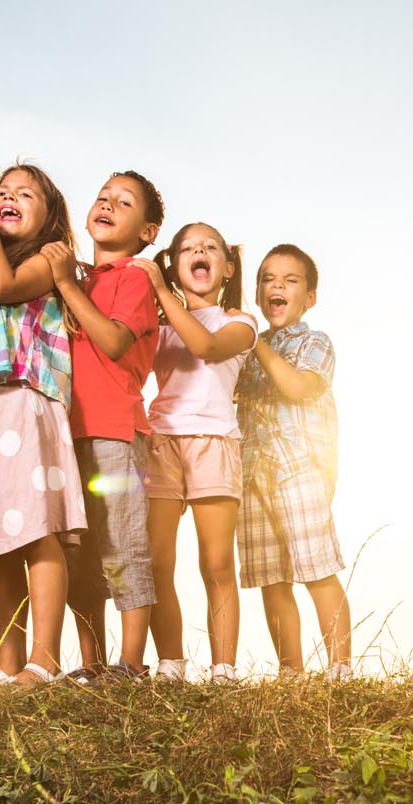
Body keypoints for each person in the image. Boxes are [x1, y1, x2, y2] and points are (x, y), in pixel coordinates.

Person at [0, 164, 84, 684]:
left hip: (27, 402)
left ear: (50, 220)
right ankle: (9, 665)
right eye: (2, 191)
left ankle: (44, 660)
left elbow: (3, 286)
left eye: (25, 194)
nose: (8, 197)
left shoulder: (46, 263)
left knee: (37, 532)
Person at [42, 171, 165, 682]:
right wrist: (71, 280)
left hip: (115, 433)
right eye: (102, 197)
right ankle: (91, 663)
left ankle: (132, 664)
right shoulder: (82, 277)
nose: (108, 205)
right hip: (65, 433)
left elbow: (115, 342)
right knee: (79, 553)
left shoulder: (133, 276)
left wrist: (68, 284)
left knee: (122, 546)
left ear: (148, 231)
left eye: (124, 202)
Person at [132, 223, 256, 683]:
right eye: (188, 247)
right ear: (174, 261)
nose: (199, 252)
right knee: (158, 561)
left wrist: (162, 291)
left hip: (215, 442)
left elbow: (205, 347)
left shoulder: (239, 322)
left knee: (217, 562)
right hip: (161, 440)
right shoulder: (159, 328)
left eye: (210, 247)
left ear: (226, 267)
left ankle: (223, 668)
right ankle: (170, 663)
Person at [235, 244, 352, 680]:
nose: (276, 286)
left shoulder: (314, 342)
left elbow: (297, 387)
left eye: (290, 280)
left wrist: (254, 346)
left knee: (317, 569)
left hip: (300, 469)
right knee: (272, 577)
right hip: (253, 472)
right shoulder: (249, 347)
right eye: (267, 279)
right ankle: (291, 671)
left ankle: (340, 668)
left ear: (310, 298)